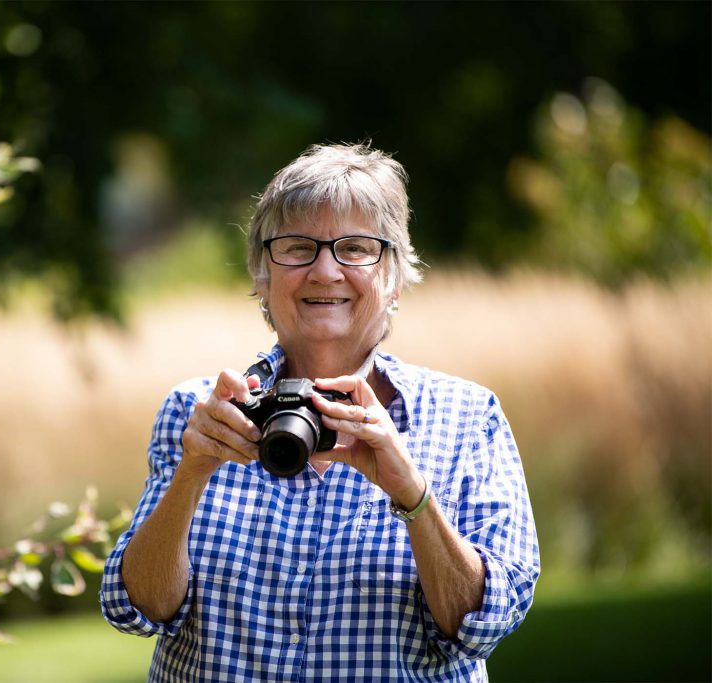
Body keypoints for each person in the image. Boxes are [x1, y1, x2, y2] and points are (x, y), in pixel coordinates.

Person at [100, 142, 540, 682]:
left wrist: (413, 495)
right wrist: (192, 475)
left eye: (355, 248)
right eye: (297, 247)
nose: (324, 270)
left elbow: (483, 624)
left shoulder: (467, 417)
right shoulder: (202, 415)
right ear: (262, 275)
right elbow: (139, 608)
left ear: (396, 279)